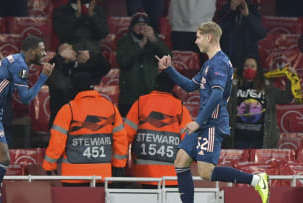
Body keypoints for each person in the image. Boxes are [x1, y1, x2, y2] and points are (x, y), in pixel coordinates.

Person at [156, 21, 269, 203]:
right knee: (180, 161)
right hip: (203, 124)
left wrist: (198, 122)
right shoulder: (209, 64)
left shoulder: (220, 63)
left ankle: (257, 180)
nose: (195, 41)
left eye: (198, 37)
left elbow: (216, 96)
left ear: (209, 38)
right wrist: (169, 69)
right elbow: (190, 85)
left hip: (211, 124)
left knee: (205, 173)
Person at [0, 35, 54, 203]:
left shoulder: (14, 59)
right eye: (41, 50)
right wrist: (44, 77)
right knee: (4, 158)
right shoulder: (20, 66)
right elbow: (26, 99)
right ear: (30, 51)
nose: (44, 54)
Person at [43, 72, 128, 185]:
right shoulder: (110, 107)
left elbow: (57, 142)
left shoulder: (68, 109)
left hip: (73, 175)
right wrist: (119, 165)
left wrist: (50, 164)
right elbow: (121, 139)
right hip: (102, 175)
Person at [124, 71, 192, 188]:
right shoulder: (180, 108)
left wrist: (119, 166)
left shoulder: (140, 103)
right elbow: (189, 142)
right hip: (172, 178)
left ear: (155, 83)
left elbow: (125, 137)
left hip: (143, 176)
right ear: (174, 87)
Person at [227, 57, 294, 149]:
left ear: (258, 69)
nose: (249, 69)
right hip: (237, 137)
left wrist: (290, 79)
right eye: (246, 66)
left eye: (252, 66)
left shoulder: (267, 87)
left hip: (261, 138)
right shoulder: (233, 86)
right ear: (241, 68)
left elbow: (286, 98)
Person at [116, 11, 171, 117]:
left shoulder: (155, 42)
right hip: (129, 97)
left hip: (149, 94)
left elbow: (168, 58)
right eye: (138, 25)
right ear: (132, 27)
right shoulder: (124, 41)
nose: (141, 27)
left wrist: (154, 40)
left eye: (144, 25)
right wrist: (141, 45)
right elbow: (123, 61)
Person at [47, 43, 110, 128]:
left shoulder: (83, 69)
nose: (69, 52)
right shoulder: (55, 70)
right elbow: (56, 82)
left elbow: (105, 67)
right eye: (64, 50)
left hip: (83, 122)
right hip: (60, 123)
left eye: (71, 49)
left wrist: (92, 56)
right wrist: (59, 59)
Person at [218, 0, 267, 69]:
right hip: (228, 63)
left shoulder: (253, 10)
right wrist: (231, 12)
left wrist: (248, 15)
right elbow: (218, 31)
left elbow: (262, 33)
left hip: (248, 63)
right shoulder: (224, 10)